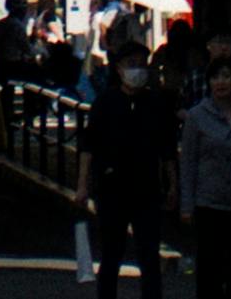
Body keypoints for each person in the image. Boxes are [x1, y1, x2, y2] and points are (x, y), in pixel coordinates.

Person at [86, 34, 178, 299]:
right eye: (131, 63)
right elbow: (88, 145)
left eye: (142, 63)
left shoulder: (156, 104)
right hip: (111, 187)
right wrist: (84, 185)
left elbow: (167, 148)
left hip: (147, 187)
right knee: (111, 253)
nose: (137, 69)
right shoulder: (105, 103)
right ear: (119, 67)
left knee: (148, 253)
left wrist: (172, 183)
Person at [176, 46, 231, 299]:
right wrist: (187, 204)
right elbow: (189, 162)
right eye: (215, 77)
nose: (221, 83)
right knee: (209, 270)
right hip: (209, 203)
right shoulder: (196, 117)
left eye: (226, 76)